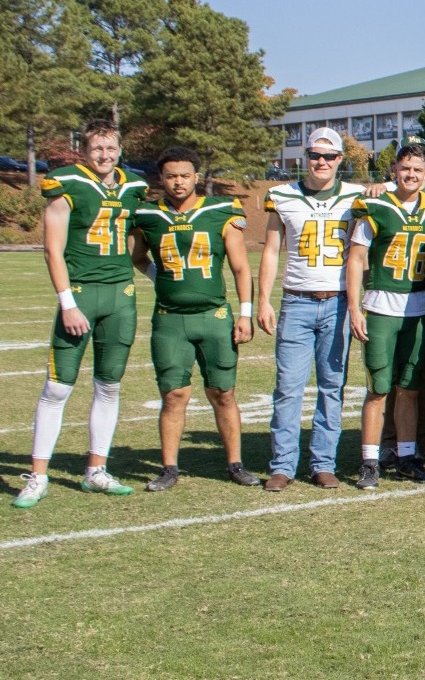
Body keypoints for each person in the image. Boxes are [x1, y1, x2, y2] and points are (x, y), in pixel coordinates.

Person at [15, 123, 150, 508]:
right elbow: (52, 251)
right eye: (96, 148)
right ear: (84, 151)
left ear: (120, 150)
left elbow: (139, 242)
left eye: (110, 148)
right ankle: (37, 476)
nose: (104, 155)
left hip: (120, 296)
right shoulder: (66, 183)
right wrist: (67, 302)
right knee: (58, 387)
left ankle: (96, 471)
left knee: (109, 385)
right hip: (80, 295)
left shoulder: (133, 187)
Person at [126, 146, 255, 493]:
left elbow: (241, 266)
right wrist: (161, 278)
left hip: (213, 316)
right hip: (170, 320)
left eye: (184, 175)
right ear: (161, 179)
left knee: (223, 393)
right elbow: (137, 257)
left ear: (196, 177)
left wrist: (246, 314)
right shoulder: (147, 215)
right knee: (173, 395)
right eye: (171, 176)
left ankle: (235, 463)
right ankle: (169, 467)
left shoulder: (220, 210)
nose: (178, 182)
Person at [258, 126, 360, 491]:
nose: (321, 162)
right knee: (288, 388)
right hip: (296, 301)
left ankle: (323, 463)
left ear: (340, 161)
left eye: (329, 156)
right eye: (314, 155)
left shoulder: (357, 196)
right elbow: (271, 250)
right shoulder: (281, 196)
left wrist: (382, 189)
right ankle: (282, 465)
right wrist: (262, 300)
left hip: (338, 303)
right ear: (306, 158)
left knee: (332, 386)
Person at [346, 144, 425, 490]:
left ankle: (407, 457)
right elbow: (356, 258)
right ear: (394, 169)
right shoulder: (374, 205)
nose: (411, 175)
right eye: (406, 168)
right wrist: (354, 307)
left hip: (420, 307)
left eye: (418, 170)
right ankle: (370, 461)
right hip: (380, 306)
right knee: (378, 388)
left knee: (409, 387)